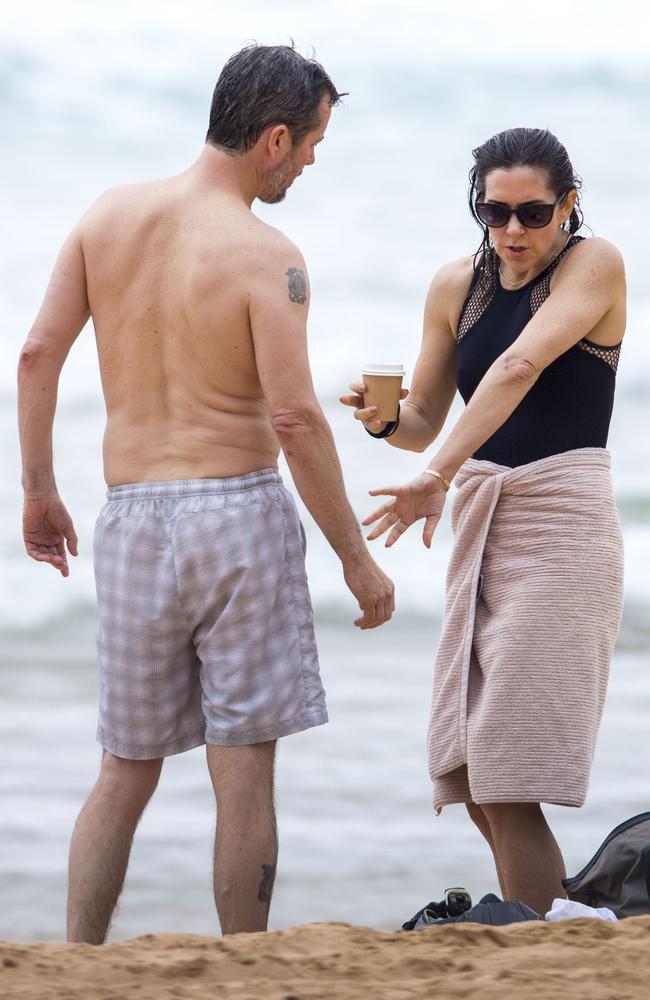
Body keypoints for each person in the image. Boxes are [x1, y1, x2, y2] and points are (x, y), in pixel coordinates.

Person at [17, 43, 394, 943]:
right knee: (242, 767)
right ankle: (247, 963)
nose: (309, 161)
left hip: (132, 516)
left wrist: (38, 490)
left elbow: (36, 353)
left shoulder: (105, 218)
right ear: (272, 139)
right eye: (309, 144)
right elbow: (296, 420)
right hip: (237, 513)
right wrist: (357, 559)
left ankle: (76, 960)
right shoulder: (266, 256)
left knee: (124, 766)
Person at [341, 127, 625, 915]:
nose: (512, 231)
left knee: (509, 769)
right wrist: (382, 422)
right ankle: (538, 924)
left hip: (562, 527)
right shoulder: (453, 287)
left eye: (533, 212)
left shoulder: (594, 264)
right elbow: (426, 418)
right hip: (483, 525)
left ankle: (541, 934)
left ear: (568, 203)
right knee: (472, 771)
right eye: (493, 212)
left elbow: (518, 368)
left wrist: (432, 476)